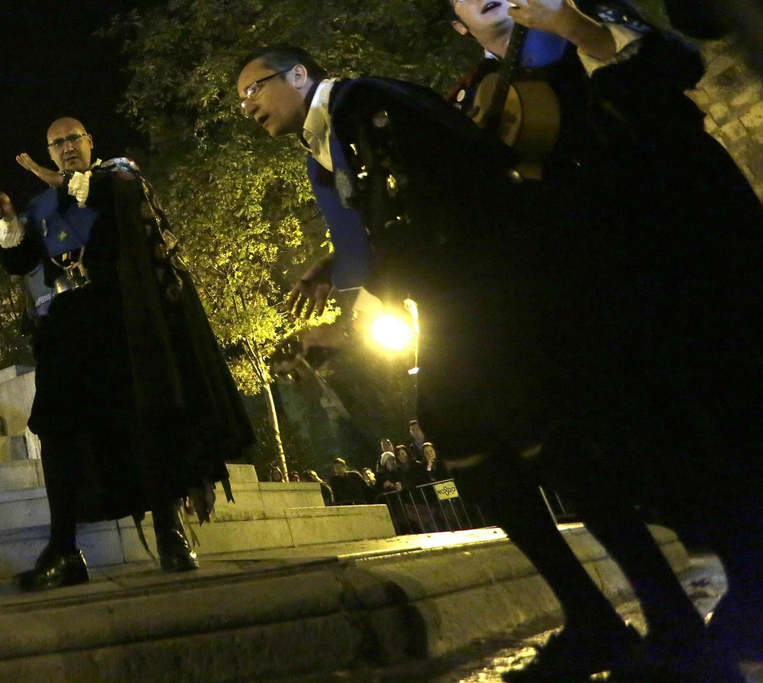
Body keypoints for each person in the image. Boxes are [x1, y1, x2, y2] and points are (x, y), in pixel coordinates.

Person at [237, 46, 687, 681]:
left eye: (253, 88)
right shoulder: (331, 138)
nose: (248, 106)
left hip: (490, 295)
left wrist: (359, 308)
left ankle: (667, 619)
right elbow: (393, 216)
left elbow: (446, 191)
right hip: (457, 304)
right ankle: (599, 617)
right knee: (469, 444)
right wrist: (339, 265)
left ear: (299, 75)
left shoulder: (367, 105)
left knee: (544, 443)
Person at [445, 0, 763, 672]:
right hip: (601, 271)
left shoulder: (583, 14)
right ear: (458, 25)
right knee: (667, 432)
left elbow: (679, 61)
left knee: (733, 400)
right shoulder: (470, 97)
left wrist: (572, 27)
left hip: (688, 229)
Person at [0, 117, 254, 590]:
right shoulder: (43, 203)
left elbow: (126, 206)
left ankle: (169, 530)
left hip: (126, 319)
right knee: (58, 429)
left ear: (90, 142)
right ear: (49, 151)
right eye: (57, 143)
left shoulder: (118, 178)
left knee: (142, 416)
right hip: (67, 326)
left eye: (73, 139)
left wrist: (65, 183)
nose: (66, 148)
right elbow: (20, 262)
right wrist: (8, 216)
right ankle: (64, 549)